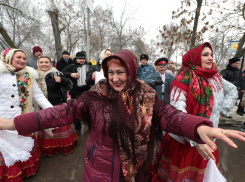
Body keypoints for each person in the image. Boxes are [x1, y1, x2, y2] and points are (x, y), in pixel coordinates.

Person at [0, 49, 244, 182]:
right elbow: (58, 113)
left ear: (132, 71)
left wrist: (199, 127)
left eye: (121, 72)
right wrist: (12, 123)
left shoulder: (147, 96)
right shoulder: (94, 96)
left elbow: (172, 116)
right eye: (111, 72)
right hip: (100, 170)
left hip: (138, 171)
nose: (115, 78)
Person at [148, 43, 238, 182]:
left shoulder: (216, 77)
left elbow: (232, 90)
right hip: (184, 140)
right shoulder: (184, 78)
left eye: (211, 55)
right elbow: (178, 110)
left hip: (208, 137)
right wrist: (195, 138)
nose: (210, 58)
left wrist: (222, 111)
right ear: (195, 57)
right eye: (205, 55)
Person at [0, 48, 53, 181]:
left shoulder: (28, 76)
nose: (22, 61)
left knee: (22, 147)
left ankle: (23, 171)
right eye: (18, 57)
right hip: (2, 121)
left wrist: (54, 112)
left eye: (24, 58)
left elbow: (39, 96)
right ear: (9, 58)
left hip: (21, 120)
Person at [35, 55, 78, 156]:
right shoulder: (34, 75)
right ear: (38, 63)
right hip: (41, 106)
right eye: (41, 62)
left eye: (46, 62)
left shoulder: (57, 73)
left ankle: (62, 146)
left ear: (50, 63)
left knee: (60, 128)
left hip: (58, 104)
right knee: (46, 127)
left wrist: (62, 80)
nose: (44, 64)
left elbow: (69, 86)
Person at [61, 51, 90, 136]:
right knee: (75, 111)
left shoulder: (89, 66)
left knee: (87, 110)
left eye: (83, 58)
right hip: (75, 92)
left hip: (86, 92)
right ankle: (78, 128)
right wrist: (71, 74)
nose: (82, 60)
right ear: (76, 59)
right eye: (80, 58)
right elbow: (61, 73)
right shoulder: (71, 66)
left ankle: (89, 126)